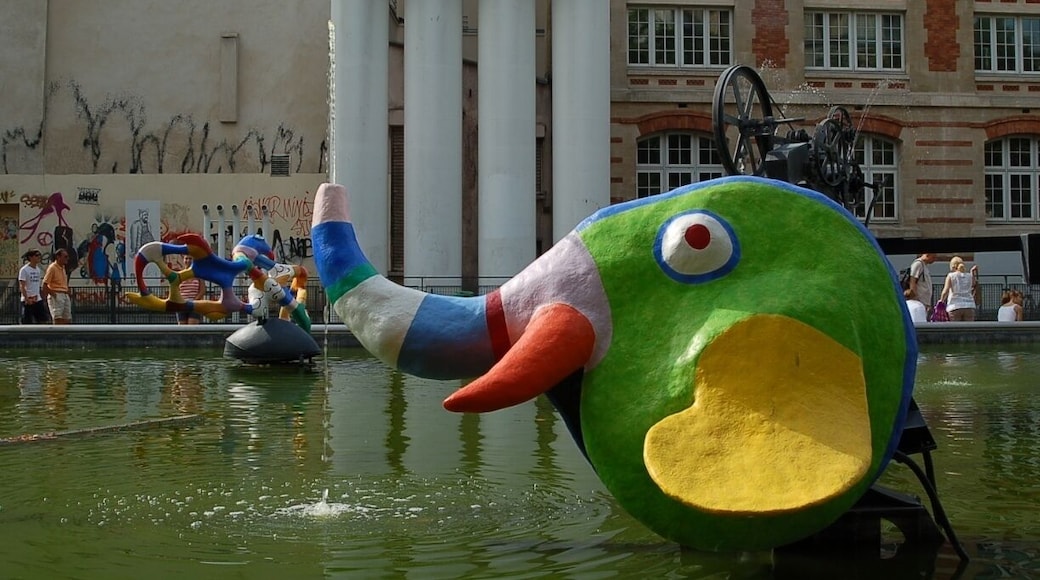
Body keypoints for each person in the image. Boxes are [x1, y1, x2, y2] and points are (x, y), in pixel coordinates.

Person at [939, 256, 978, 322]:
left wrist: (941, 301)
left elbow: (945, 291)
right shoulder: (969, 276)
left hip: (954, 306)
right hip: (969, 306)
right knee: (968, 330)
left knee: (955, 330)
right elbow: (973, 284)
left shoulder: (951, 276)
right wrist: (972, 272)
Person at [18, 249, 49, 324]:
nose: (39, 257)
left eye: (39, 255)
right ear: (30, 257)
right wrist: (26, 298)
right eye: (36, 255)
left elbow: (37, 284)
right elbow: (22, 285)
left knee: (43, 320)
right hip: (28, 299)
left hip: (37, 298)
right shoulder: (24, 270)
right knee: (27, 321)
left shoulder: (38, 269)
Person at [42, 248, 72, 324]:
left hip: (64, 294)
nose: (67, 259)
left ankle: (65, 335)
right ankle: (58, 334)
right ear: (58, 257)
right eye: (65, 256)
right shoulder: (52, 268)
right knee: (58, 318)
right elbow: (45, 284)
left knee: (67, 318)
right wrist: (54, 294)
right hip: (56, 294)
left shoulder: (63, 268)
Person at [175, 256, 205, 325]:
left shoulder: (199, 274)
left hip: (194, 304)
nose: (188, 260)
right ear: (183, 260)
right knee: (182, 329)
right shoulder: (179, 275)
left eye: (190, 258)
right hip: (181, 304)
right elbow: (175, 289)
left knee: (192, 327)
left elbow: (202, 290)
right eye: (186, 258)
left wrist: (194, 301)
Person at [908, 253, 936, 317]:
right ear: (927, 255)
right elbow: (912, 281)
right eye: (933, 257)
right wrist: (914, 298)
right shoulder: (918, 264)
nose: (934, 260)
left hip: (924, 301)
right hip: (919, 301)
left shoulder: (924, 266)